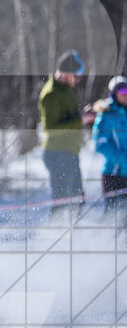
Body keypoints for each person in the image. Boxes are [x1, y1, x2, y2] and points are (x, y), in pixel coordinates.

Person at [38, 50, 94, 218]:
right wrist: (81, 120)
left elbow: (68, 117)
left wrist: (83, 114)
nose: (78, 79)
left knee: (78, 198)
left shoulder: (66, 89)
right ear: (65, 72)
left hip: (70, 152)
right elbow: (51, 128)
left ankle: (74, 236)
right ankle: (54, 236)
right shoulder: (51, 94)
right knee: (62, 201)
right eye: (76, 75)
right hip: (57, 153)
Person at [92, 76, 127, 214]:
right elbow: (100, 143)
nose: (125, 94)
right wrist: (123, 160)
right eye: (122, 91)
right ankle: (104, 236)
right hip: (113, 175)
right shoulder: (107, 114)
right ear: (114, 93)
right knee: (113, 216)